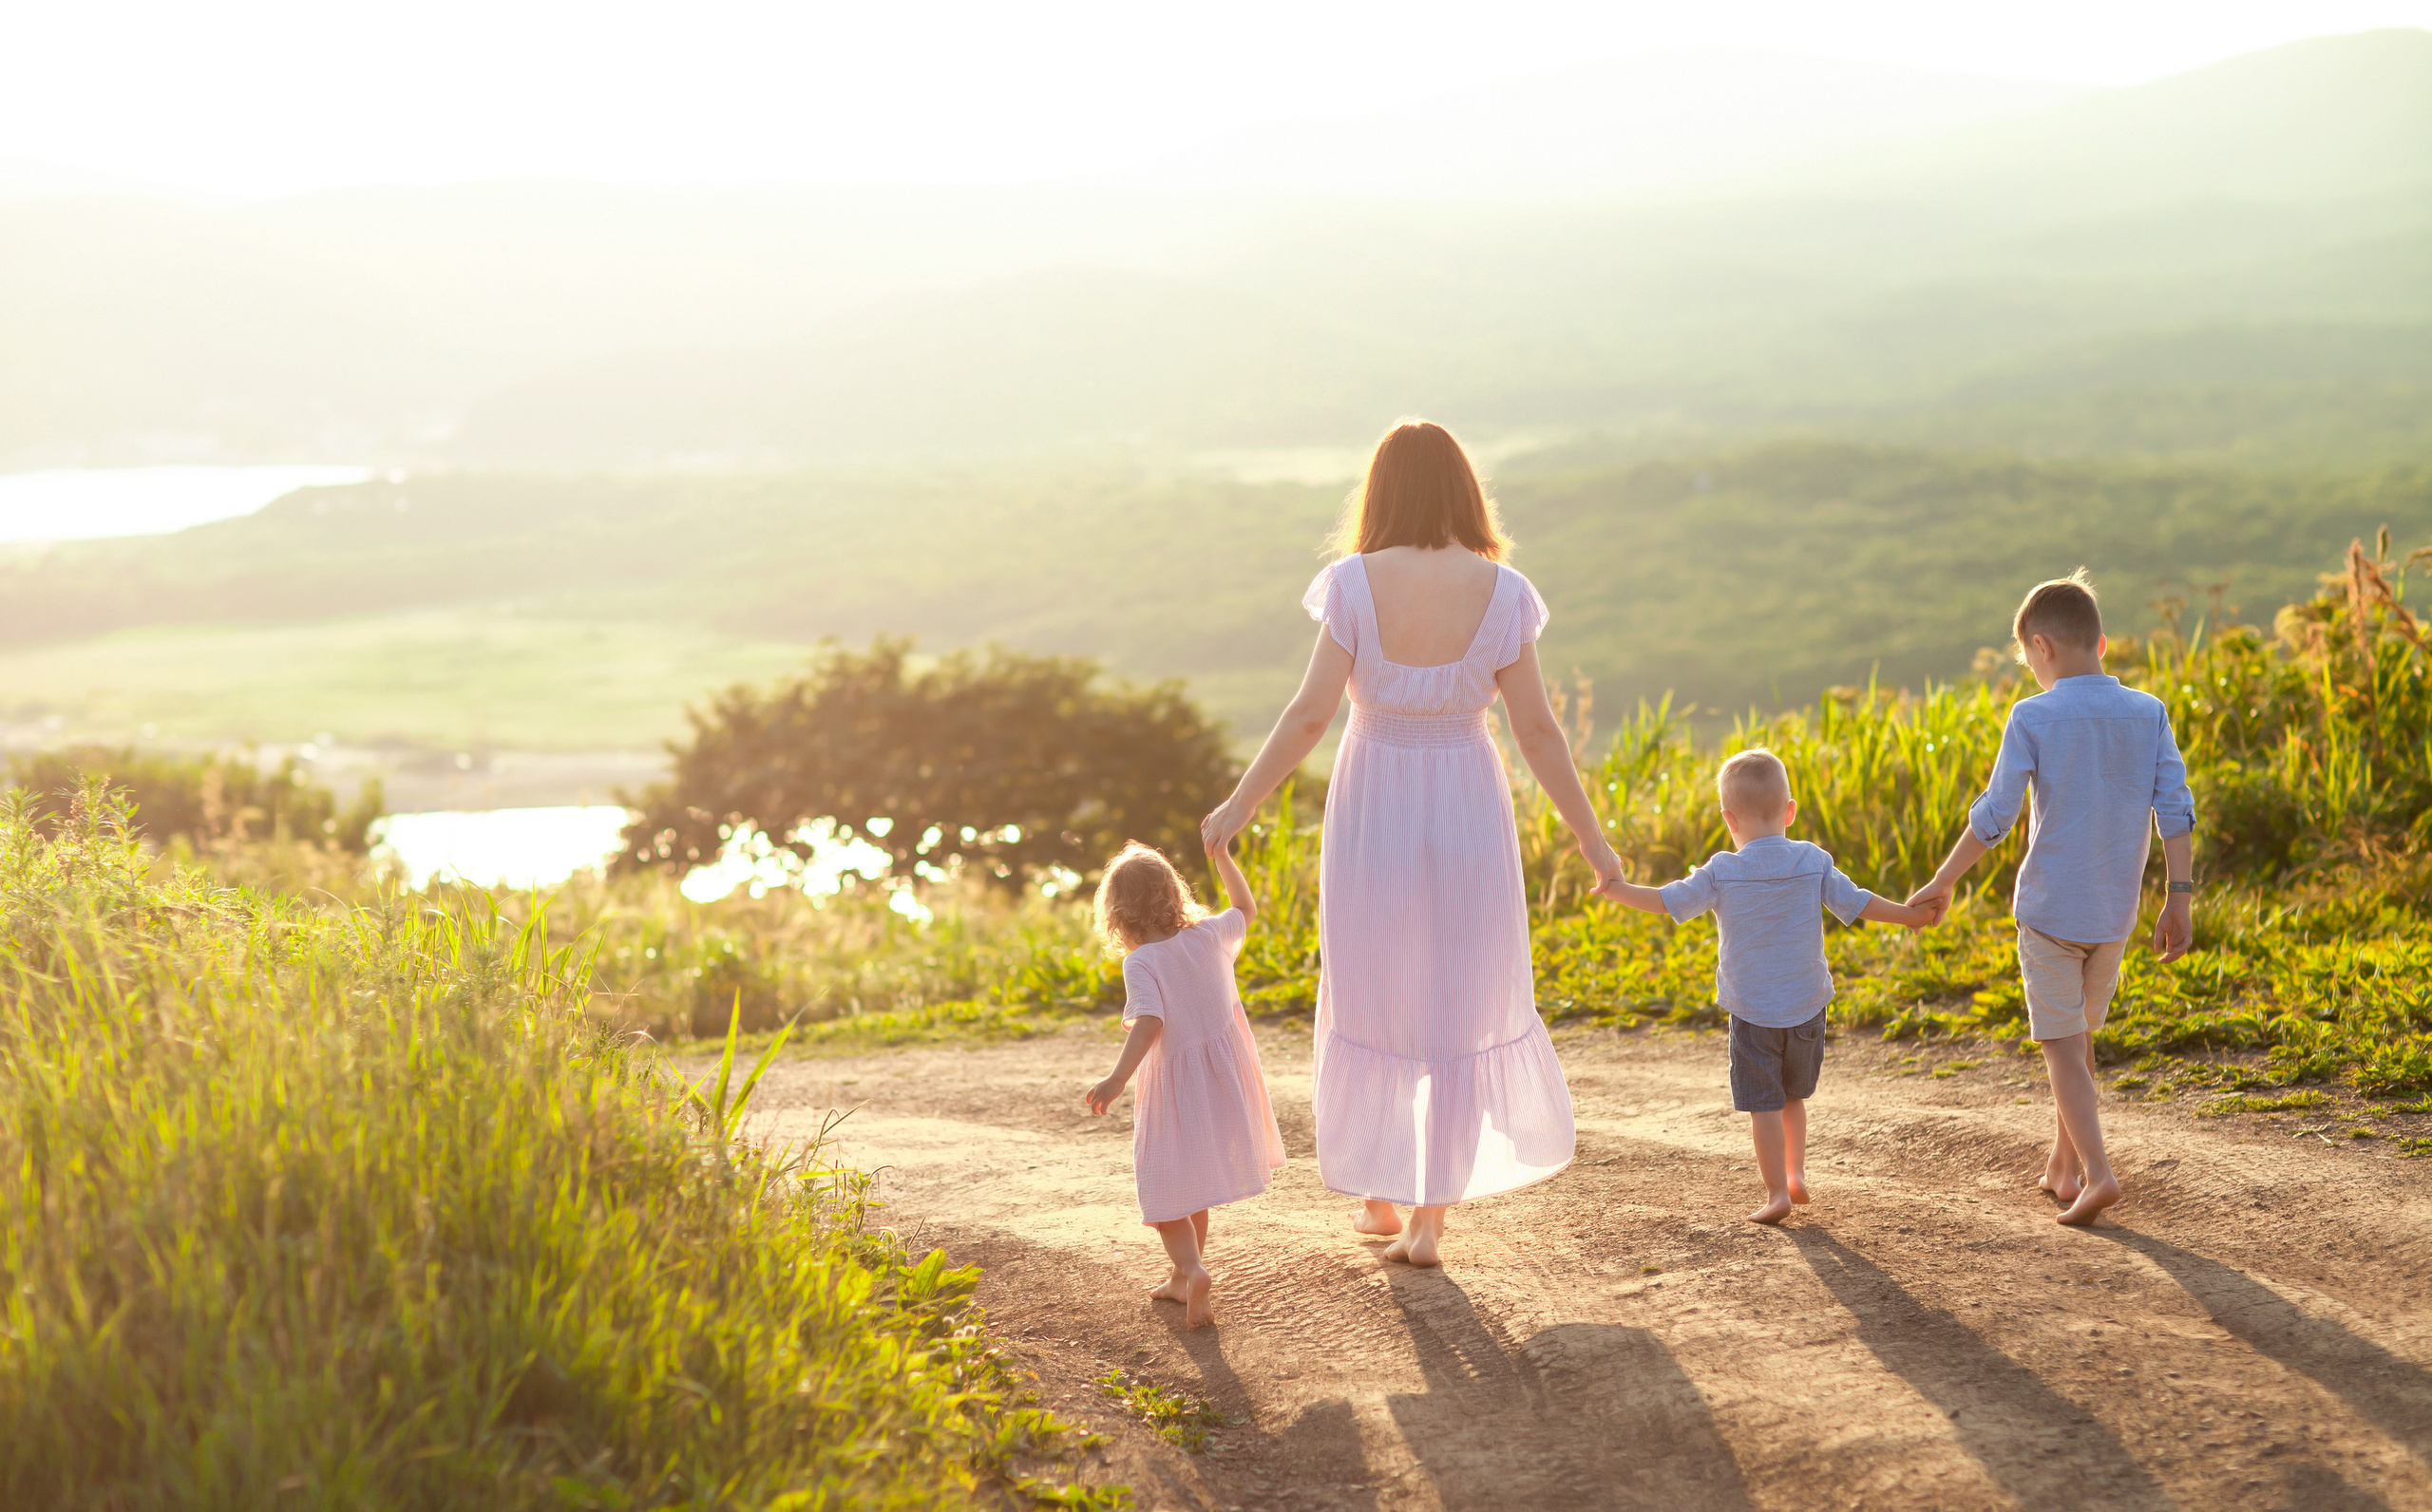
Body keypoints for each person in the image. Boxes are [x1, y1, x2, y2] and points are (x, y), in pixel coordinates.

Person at [1199, 418, 1622, 1268]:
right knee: (1459, 993)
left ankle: (1380, 1195)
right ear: (1466, 490)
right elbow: (1538, 732)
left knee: (1373, 985)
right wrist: (1594, 842)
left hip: (1376, 799)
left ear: (1380, 492)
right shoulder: (1503, 592)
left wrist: (1238, 806)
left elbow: (1311, 713)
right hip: (1466, 794)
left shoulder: (1354, 584)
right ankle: (1431, 1221)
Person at [1906, 569, 2196, 1226]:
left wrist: (1943, 881)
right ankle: (2063, 1168)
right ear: (2099, 640)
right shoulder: (2148, 712)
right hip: (2115, 913)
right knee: (2080, 1036)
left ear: (2042, 647)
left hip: (2049, 912)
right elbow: (2175, 809)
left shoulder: (2033, 715)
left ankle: (2098, 1175)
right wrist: (2178, 898)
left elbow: (1995, 816)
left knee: (2063, 1045)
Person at [1597, 748, 1940, 1223]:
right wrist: (1909, 916)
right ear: (1790, 811)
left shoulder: (1722, 870)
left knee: (1764, 1106)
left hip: (1753, 1010)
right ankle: (1796, 1173)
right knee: (1793, 1097)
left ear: (1728, 819)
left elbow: (1664, 900)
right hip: (1806, 1006)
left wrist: (1615, 888)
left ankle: (1777, 1192)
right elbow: (1858, 903)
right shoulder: (1812, 860)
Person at [1084, 839, 1284, 1329]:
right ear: (1174, 893)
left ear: (1117, 914)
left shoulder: (1142, 962)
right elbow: (1245, 907)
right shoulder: (1210, 936)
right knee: (1193, 1185)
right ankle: (1181, 1279)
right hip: (1224, 1083)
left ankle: (1192, 1270)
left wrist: (1116, 1079)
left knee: (1165, 1182)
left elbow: (1150, 1022)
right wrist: (1222, 857)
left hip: (1175, 1089)